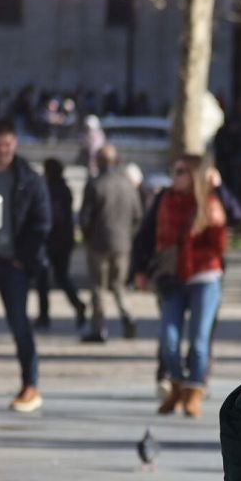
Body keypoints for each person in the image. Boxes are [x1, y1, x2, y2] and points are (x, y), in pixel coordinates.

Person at [142, 155, 229, 418]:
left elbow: (220, 247)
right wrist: (143, 269)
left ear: (194, 176)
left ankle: (194, 393)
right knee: (168, 339)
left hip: (204, 277)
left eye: (181, 171)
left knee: (199, 342)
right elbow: (151, 235)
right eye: (174, 170)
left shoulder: (209, 204)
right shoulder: (166, 199)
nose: (175, 175)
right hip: (173, 279)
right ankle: (177, 386)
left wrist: (217, 226)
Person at [0, 118, 50, 413]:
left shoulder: (28, 177)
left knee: (20, 325)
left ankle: (30, 384)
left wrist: (26, 257)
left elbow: (42, 222)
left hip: (13, 264)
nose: (2, 150)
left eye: (7, 145)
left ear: (15, 144)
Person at [80, 144, 141, 343]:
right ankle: (128, 315)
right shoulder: (127, 184)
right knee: (119, 285)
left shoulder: (96, 184)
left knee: (98, 287)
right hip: (123, 243)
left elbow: (85, 218)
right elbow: (137, 215)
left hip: (99, 243)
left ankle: (99, 328)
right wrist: (129, 236)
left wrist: (88, 236)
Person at [37, 158, 88, 331]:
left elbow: (51, 216)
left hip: (52, 240)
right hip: (64, 240)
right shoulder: (65, 189)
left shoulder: (50, 190)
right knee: (61, 277)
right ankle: (76, 304)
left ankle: (44, 315)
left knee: (44, 279)